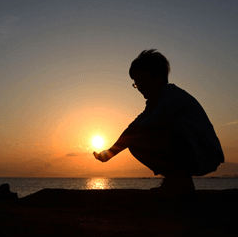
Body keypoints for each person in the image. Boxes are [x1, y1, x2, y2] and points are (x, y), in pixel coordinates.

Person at [93, 49, 224, 195]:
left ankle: (179, 181)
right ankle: (176, 180)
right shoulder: (156, 102)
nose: (138, 87)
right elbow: (133, 127)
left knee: (140, 137)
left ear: (158, 75)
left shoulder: (172, 97)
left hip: (203, 154)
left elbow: (142, 129)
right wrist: (110, 153)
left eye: (140, 80)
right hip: (197, 152)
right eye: (135, 83)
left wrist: (111, 153)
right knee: (133, 138)